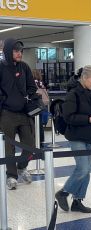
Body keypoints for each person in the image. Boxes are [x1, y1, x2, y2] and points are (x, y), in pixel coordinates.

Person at [55, 65, 91, 213]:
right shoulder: (73, 94)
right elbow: (68, 117)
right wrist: (88, 119)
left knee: (87, 171)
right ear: (84, 78)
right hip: (77, 136)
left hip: (90, 135)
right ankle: (63, 192)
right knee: (83, 168)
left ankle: (77, 201)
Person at [0, 38, 37, 190]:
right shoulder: (0, 67)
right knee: (9, 147)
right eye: (16, 51)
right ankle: (11, 176)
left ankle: (22, 167)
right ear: (8, 51)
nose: (19, 54)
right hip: (6, 114)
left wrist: (27, 97)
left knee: (30, 145)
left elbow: (32, 87)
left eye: (21, 51)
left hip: (24, 114)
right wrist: (5, 99)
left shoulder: (24, 67)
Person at [32, 69, 46, 147]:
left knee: (34, 123)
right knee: (39, 123)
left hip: (35, 105)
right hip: (41, 105)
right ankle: (41, 140)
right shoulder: (41, 83)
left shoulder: (33, 82)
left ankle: (35, 140)